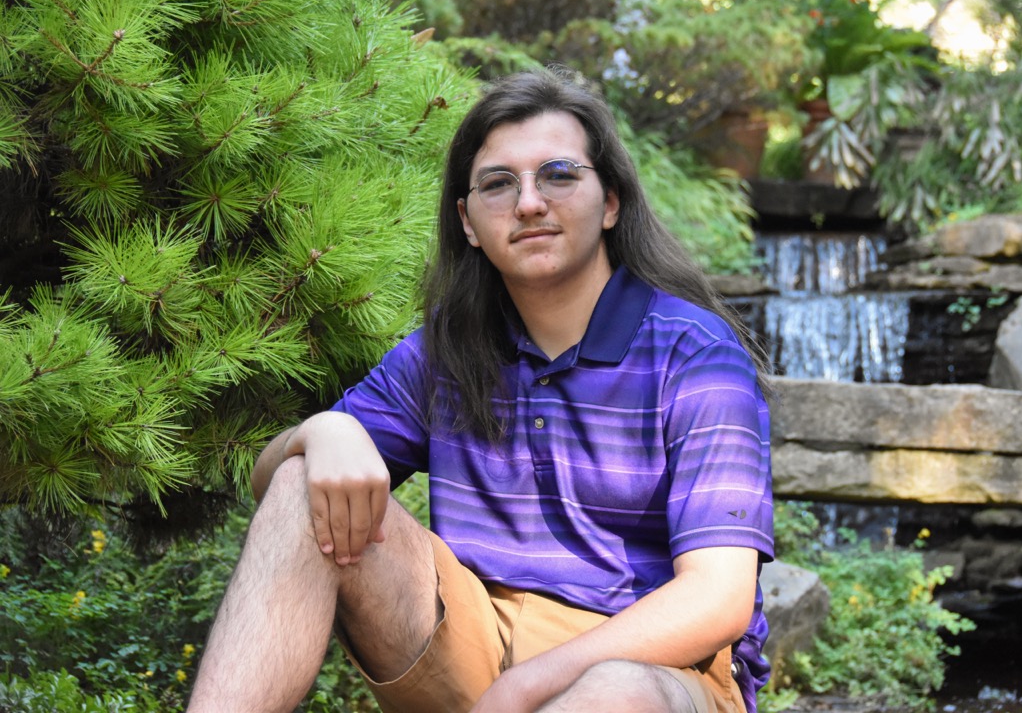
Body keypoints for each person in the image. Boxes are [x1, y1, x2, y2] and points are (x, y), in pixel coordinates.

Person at [187, 68, 774, 713]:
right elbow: (271, 483)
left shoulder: (695, 353)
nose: (529, 203)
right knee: (305, 482)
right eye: (499, 183)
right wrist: (323, 431)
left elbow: (717, 598)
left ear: (610, 201)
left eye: (558, 174)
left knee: (613, 692)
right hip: (473, 640)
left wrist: (526, 685)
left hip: (653, 665)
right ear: (468, 221)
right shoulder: (450, 349)